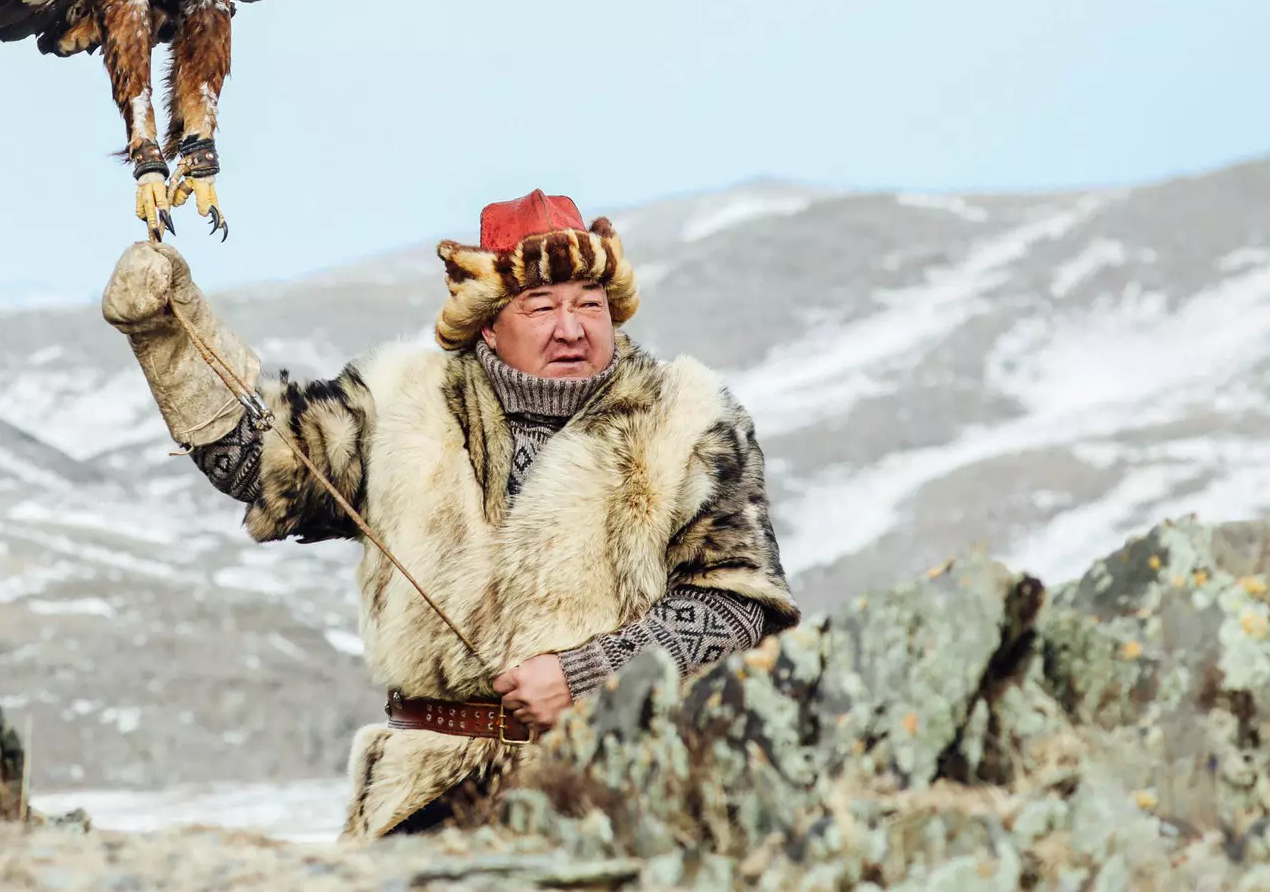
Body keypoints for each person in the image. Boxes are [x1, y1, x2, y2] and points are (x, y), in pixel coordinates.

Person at [102, 190, 798, 839]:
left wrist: (592, 674)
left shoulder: (690, 419)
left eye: (590, 304)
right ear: (489, 324)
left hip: (622, 787)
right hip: (420, 795)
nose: (571, 328)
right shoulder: (398, 402)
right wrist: (167, 338)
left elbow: (739, 606)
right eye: (541, 306)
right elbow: (264, 466)